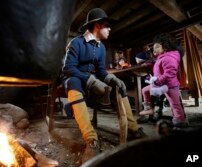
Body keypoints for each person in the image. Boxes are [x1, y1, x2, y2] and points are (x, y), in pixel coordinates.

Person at [62, 8, 146, 163]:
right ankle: (91, 140)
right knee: (73, 81)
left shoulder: (101, 47)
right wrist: (89, 80)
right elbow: (68, 68)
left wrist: (110, 78)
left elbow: (101, 71)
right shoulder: (76, 42)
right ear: (97, 26)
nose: (110, 29)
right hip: (75, 78)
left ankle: (133, 129)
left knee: (118, 85)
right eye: (107, 26)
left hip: (91, 81)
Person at [139, 33, 187, 127]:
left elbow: (169, 74)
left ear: (164, 47)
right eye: (153, 47)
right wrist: (149, 65)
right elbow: (158, 66)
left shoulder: (169, 58)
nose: (154, 49)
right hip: (161, 85)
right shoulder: (161, 57)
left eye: (157, 47)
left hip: (170, 86)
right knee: (145, 90)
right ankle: (148, 108)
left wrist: (157, 81)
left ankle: (180, 120)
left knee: (174, 104)